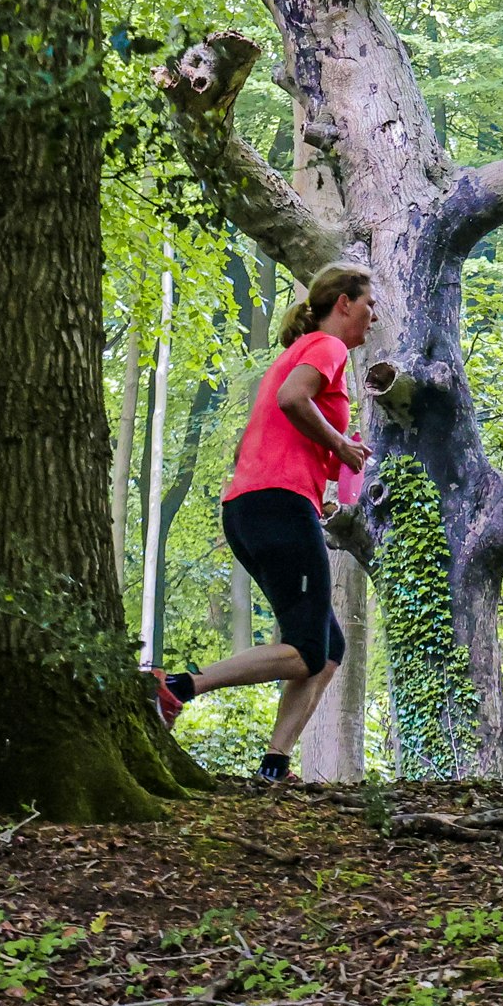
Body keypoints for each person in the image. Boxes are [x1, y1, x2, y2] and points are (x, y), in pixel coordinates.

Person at [151, 261, 376, 783]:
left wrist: (317, 475)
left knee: (327, 649)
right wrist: (339, 444)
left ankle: (275, 766)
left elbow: (265, 435)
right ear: (343, 302)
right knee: (306, 651)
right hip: (275, 506)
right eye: (369, 304)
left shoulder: (296, 353)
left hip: (255, 507)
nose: (373, 316)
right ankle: (176, 687)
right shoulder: (327, 346)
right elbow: (292, 400)